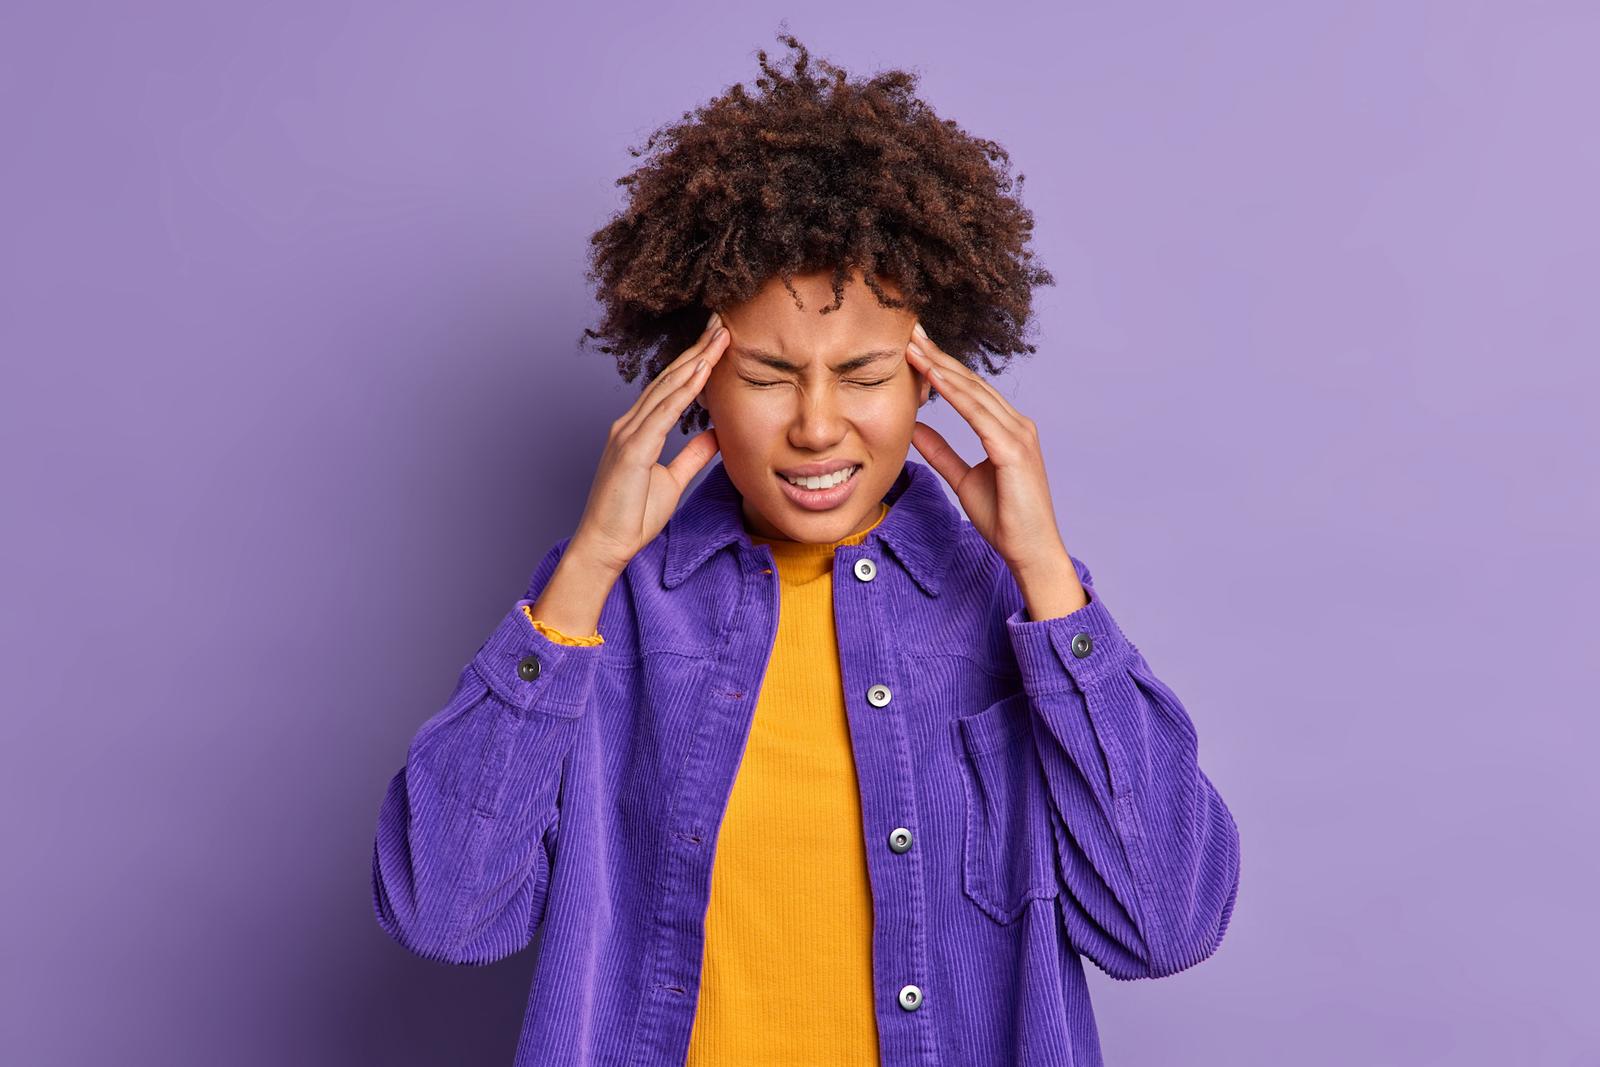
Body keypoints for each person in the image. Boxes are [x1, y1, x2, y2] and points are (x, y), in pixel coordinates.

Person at [370, 31, 1241, 1067]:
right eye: (771, 372)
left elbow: (1166, 924)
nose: (818, 425)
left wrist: (1047, 581)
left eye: (864, 373)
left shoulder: (1011, 611)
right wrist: (586, 570)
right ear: (697, 377)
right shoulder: (607, 611)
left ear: (929, 379)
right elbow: (443, 910)